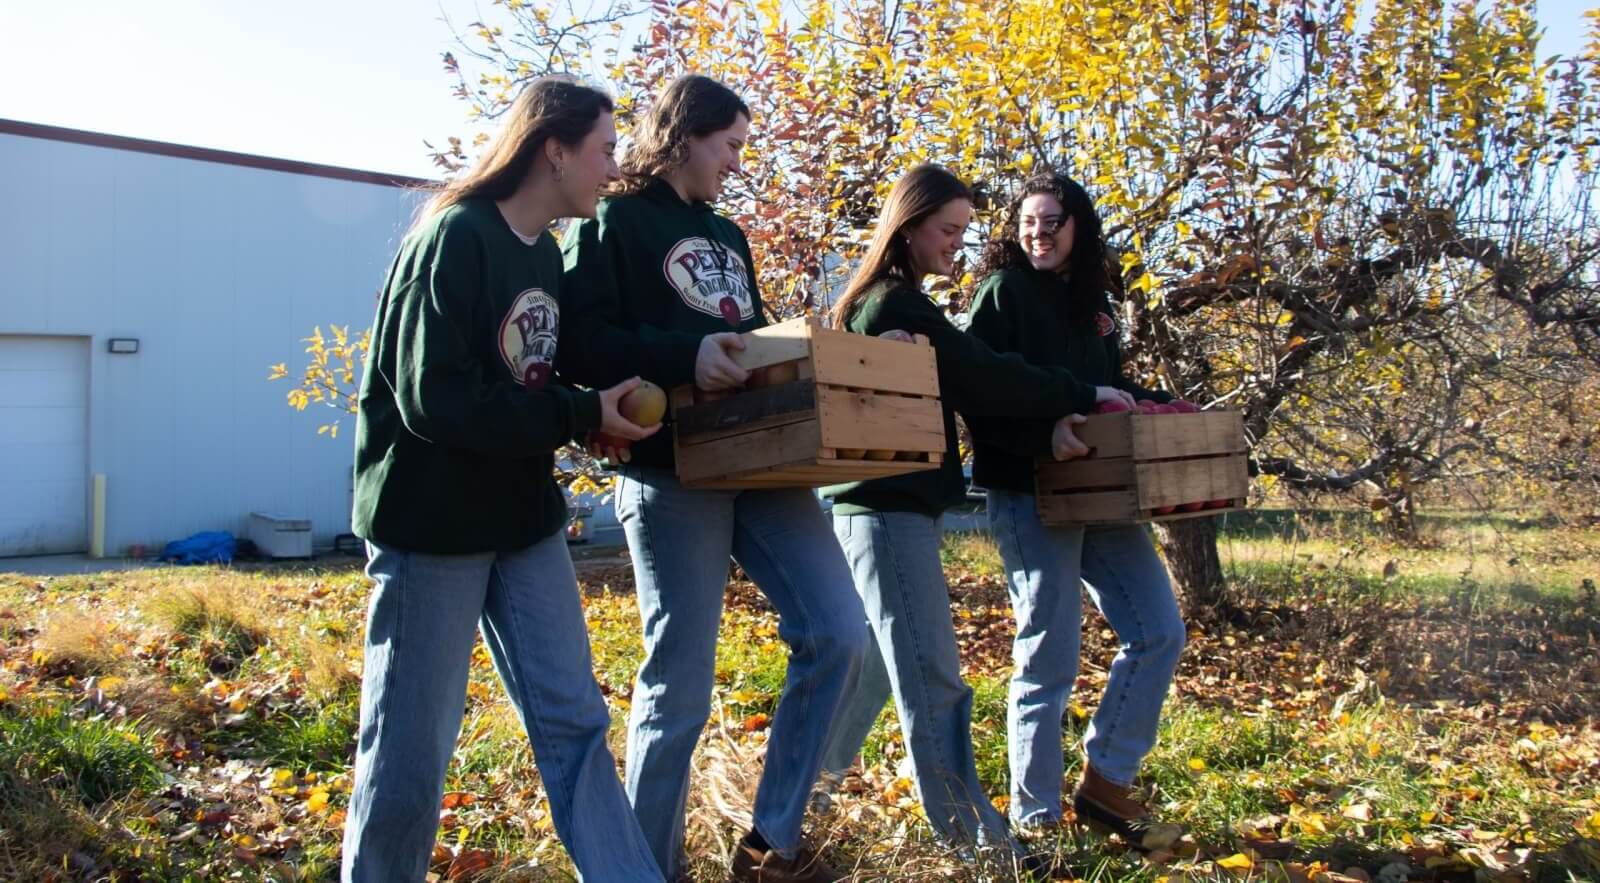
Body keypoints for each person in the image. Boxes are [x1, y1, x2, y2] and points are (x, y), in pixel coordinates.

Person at [341, 77, 664, 882]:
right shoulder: (455, 237)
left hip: (521, 522)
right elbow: (435, 400)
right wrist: (576, 412)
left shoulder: (545, 254)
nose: (615, 167)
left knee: (577, 724)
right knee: (411, 750)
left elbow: (527, 391)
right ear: (553, 148)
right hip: (433, 526)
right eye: (604, 149)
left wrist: (593, 419)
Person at [558, 74, 869, 883]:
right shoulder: (614, 222)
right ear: (685, 135)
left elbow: (747, 336)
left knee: (840, 631)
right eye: (729, 145)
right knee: (680, 686)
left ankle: (770, 847)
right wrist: (678, 357)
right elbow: (580, 343)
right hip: (671, 474)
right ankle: (643, 868)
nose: (736, 162)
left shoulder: (729, 237)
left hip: (764, 465)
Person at [817, 164, 1130, 871]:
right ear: (911, 223)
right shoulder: (895, 306)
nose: (959, 244)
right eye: (949, 229)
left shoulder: (894, 301)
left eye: (963, 231)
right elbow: (982, 371)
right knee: (934, 678)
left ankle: (799, 808)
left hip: (888, 508)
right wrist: (1082, 390)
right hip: (886, 507)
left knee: (868, 672)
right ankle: (979, 844)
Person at [965, 170, 1186, 851]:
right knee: (1049, 655)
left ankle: (1106, 780)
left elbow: (1108, 387)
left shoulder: (1095, 304)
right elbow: (978, 392)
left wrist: (1164, 404)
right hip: (1029, 489)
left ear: (1079, 227)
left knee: (1159, 628)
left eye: (1052, 220)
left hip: (1101, 489)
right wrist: (1041, 435)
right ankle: (1036, 817)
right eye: (1027, 221)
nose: (1038, 232)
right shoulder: (1003, 294)